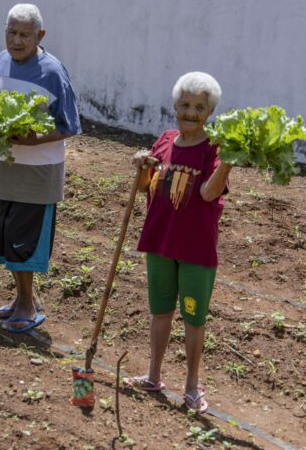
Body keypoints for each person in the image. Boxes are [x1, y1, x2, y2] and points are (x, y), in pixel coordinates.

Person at [124, 72, 231, 414]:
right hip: (159, 241)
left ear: (210, 111)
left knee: (193, 318)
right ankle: (154, 376)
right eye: (185, 104)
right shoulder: (166, 139)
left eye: (199, 106)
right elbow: (145, 186)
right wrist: (142, 166)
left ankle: (191, 386)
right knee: (160, 312)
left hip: (196, 249)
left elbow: (207, 192)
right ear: (175, 105)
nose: (191, 112)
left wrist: (228, 161)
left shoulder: (214, 148)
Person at [0, 4, 81, 333]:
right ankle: (23, 298)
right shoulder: (0, 60)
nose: (16, 40)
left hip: (37, 172)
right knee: (8, 236)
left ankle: (27, 304)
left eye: (25, 34)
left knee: (26, 241)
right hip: (4, 166)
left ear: (41, 35)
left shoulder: (52, 71)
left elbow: (69, 125)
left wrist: (32, 139)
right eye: (11, 32)